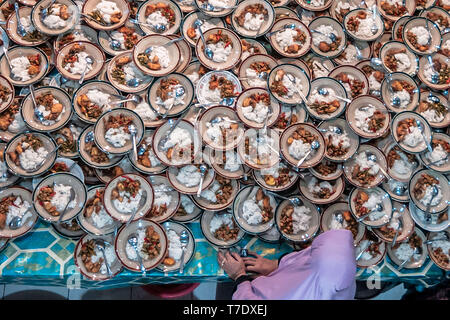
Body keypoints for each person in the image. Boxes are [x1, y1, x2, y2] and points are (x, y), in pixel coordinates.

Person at [217, 229, 357, 300]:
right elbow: (306, 262)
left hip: (245, 293)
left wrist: (239, 276)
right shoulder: (341, 279)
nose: (308, 252)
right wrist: (279, 264)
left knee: (223, 280)